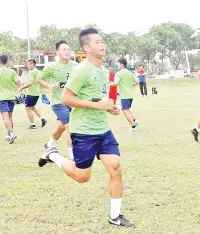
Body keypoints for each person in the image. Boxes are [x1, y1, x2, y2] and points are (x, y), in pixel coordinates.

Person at [38, 28, 134, 227]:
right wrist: (98, 105)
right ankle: (53, 155)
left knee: (115, 167)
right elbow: (66, 98)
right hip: (84, 132)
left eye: (102, 41)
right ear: (86, 48)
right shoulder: (82, 69)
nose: (102, 44)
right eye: (97, 42)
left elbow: (97, 99)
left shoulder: (103, 71)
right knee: (83, 177)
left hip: (103, 131)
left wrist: (110, 109)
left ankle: (115, 216)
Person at [37, 40, 78, 160]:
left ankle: (50, 144)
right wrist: (49, 86)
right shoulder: (52, 67)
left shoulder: (76, 66)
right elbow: (39, 78)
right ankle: (74, 158)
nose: (67, 51)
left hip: (72, 101)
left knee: (61, 127)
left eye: (68, 49)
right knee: (70, 126)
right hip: (58, 102)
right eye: (64, 49)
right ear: (57, 52)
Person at [0, 55, 20, 144]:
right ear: (7, 61)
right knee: (10, 116)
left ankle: (11, 133)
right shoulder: (12, 72)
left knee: (5, 117)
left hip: (2, 97)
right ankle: (10, 135)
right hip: (11, 96)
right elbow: (19, 83)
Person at [17, 58, 47, 129]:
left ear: (34, 64)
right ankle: (43, 119)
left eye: (30, 64)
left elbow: (31, 83)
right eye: (28, 64)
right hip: (36, 93)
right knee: (32, 107)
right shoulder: (37, 72)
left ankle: (33, 125)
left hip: (32, 93)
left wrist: (22, 87)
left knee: (28, 108)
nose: (29, 66)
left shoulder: (32, 72)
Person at [111, 58, 139, 132]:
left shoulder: (119, 73)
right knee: (128, 109)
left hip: (125, 95)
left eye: (118, 64)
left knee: (125, 110)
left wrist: (107, 84)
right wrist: (130, 85)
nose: (117, 66)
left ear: (122, 64)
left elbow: (115, 83)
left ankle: (133, 126)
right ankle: (135, 121)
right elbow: (136, 82)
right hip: (130, 95)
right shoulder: (130, 73)